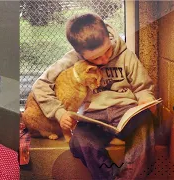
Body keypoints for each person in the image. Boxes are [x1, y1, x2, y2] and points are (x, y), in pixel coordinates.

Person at [31, 13, 156, 180]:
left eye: (108, 51)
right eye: (96, 58)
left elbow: (143, 87)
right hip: (93, 117)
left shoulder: (126, 55)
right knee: (79, 140)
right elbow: (40, 85)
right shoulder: (72, 59)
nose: (105, 59)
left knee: (146, 124)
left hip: (125, 113)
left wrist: (145, 98)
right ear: (80, 54)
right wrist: (59, 113)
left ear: (109, 38)